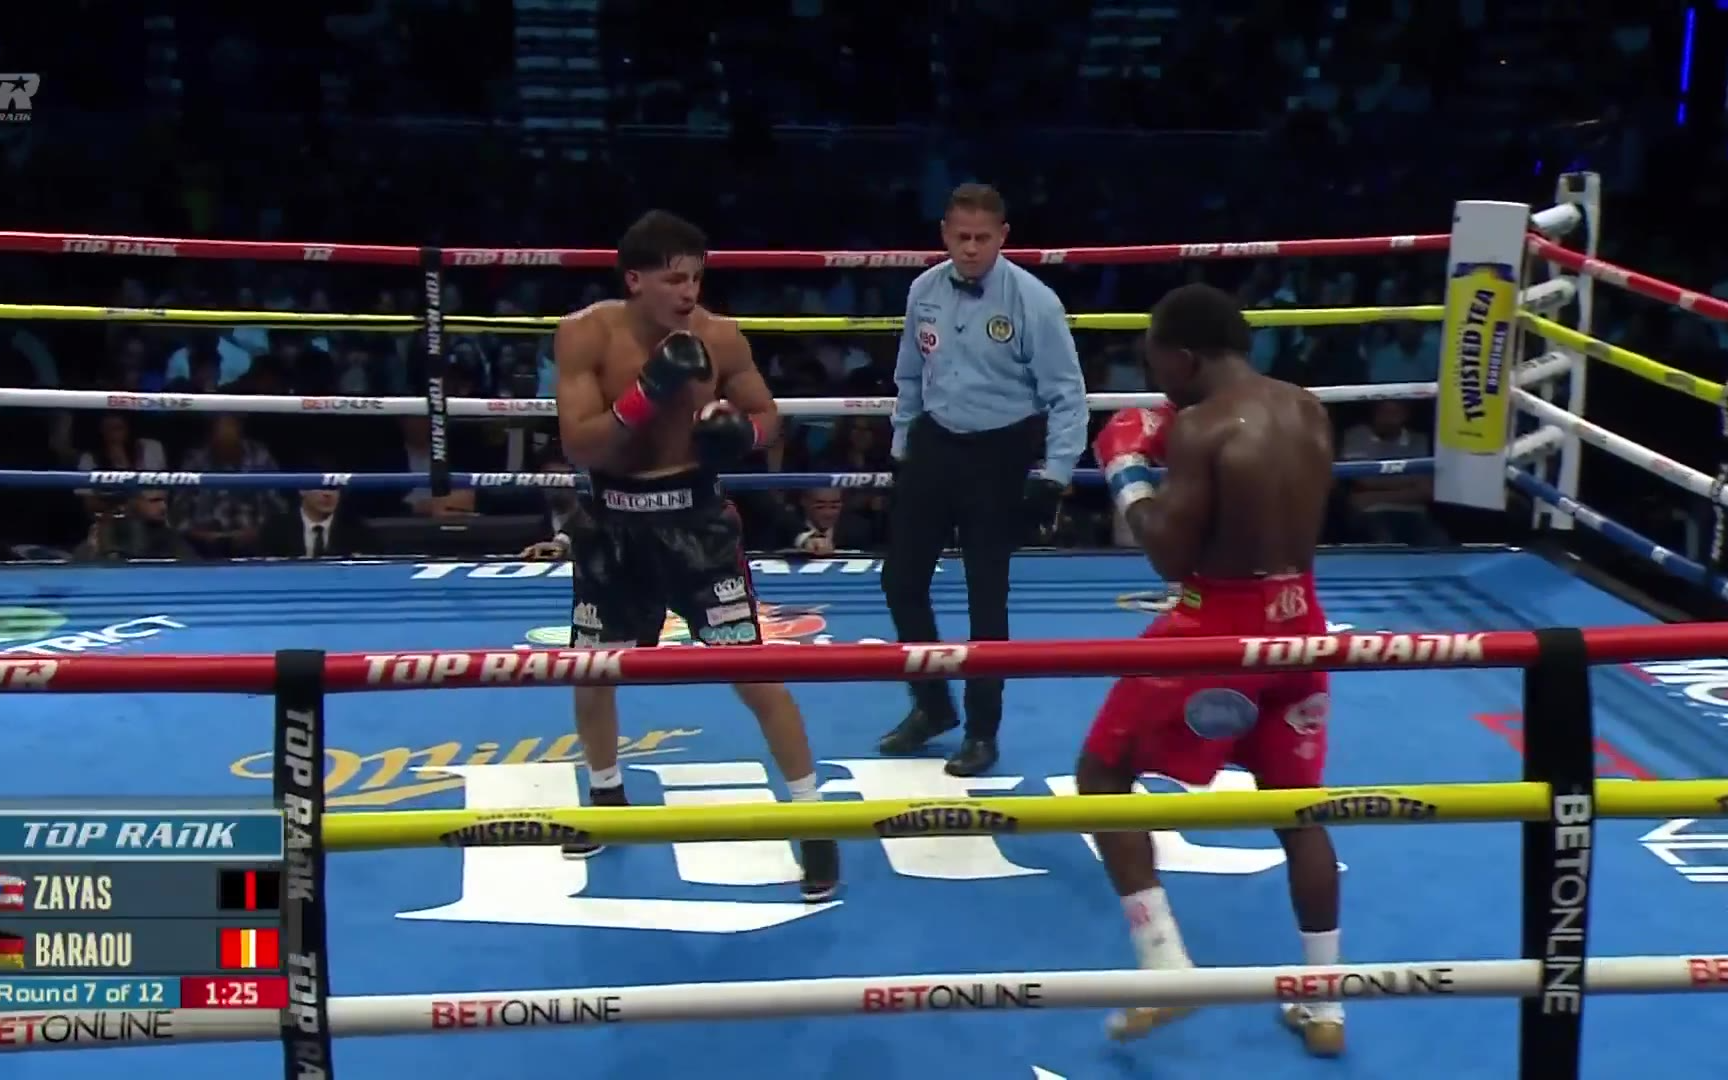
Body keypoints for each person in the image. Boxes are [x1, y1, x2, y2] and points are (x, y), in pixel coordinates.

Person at [1081, 283, 1344, 1056]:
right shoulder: (1307, 408)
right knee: (1300, 813)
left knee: (1100, 776)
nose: (1155, 378)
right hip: (1303, 624)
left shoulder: (1200, 428)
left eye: (1156, 361)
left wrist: (1128, 469)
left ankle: (1166, 968)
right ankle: (1326, 1002)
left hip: (1217, 630)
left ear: (1185, 357)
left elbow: (1168, 554)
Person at [552, 209, 839, 902]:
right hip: (613, 522)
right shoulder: (587, 334)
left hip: (696, 523)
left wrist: (741, 433)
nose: (688, 292)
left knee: (755, 674)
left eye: (695, 278)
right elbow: (580, 445)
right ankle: (606, 797)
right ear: (634, 280)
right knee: (593, 673)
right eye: (674, 279)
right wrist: (647, 395)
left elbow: (769, 415)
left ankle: (814, 823)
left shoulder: (720, 336)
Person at [877, 183, 1088, 777]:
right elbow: (909, 377)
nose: (970, 249)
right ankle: (932, 705)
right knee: (900, 581)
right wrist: (902, 448)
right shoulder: (923, 290)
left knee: (986, 596)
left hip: (999, 452)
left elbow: (1067, 396)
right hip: (933, 444)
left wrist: (1054, 476)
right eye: (961, 237)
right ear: (944, 234)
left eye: (982, 238)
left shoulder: (1034, 301)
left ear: (1003, 238)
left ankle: (982, 732)